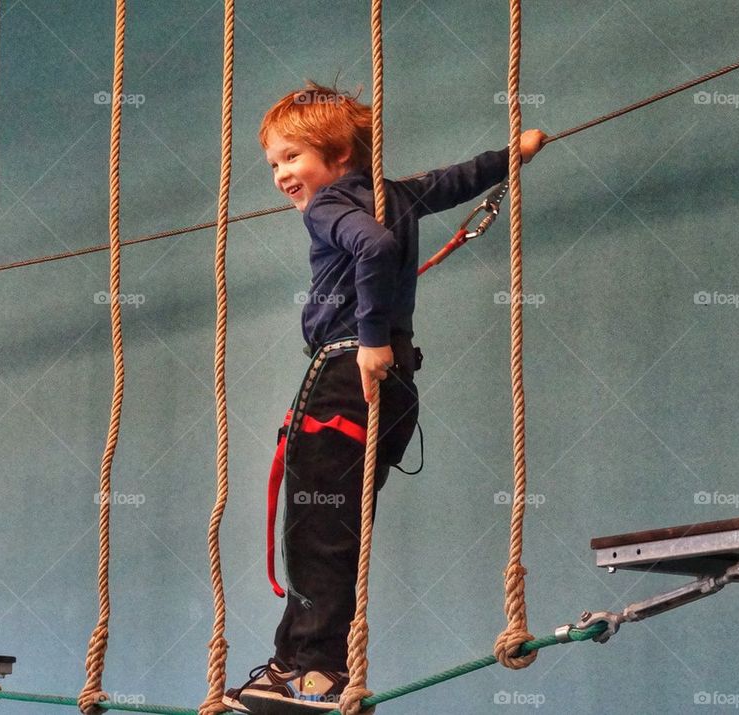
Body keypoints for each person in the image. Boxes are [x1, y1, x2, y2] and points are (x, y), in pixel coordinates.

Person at [224, 81, 545, 714]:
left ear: (340, 153)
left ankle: (316, 671)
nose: (281, 174)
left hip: (348, 374)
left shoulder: (329, 204)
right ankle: (296, 662)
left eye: (291, 157)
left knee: (316, 530)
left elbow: (374, 246)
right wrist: (515, 154)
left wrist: (368, 340)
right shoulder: (394, 193)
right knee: (331, 527)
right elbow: (455, 181)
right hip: (393, 386)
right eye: (274, 163)